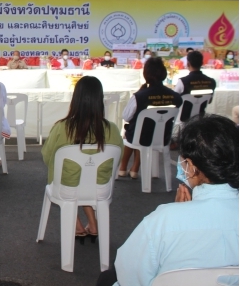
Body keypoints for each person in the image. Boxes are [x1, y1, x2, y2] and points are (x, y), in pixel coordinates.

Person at [97, 114, 238, 286]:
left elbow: (128, 275)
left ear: (192, 168)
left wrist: (180, 214)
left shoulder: (163, 222)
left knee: (108, 278)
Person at [43, 76, 123, 241]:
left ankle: (77, 225)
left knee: (73, 179)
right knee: (88, 178)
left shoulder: (62, 127)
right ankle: (93, 225)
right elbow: (118, 159)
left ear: (75, 99)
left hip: (67, 189)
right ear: (100, 100)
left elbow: (47, 156)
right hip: (101, 190)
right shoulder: (112, 129)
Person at [118, 56, 182, 178]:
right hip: (163, 137)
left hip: (141, 137)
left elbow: (126, 116)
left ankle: (123, 167)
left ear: (145, 74)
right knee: (141, 129)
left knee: (133, 129)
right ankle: (135, 168)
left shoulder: (139, 96)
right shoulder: (175, 97)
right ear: (163, 73)